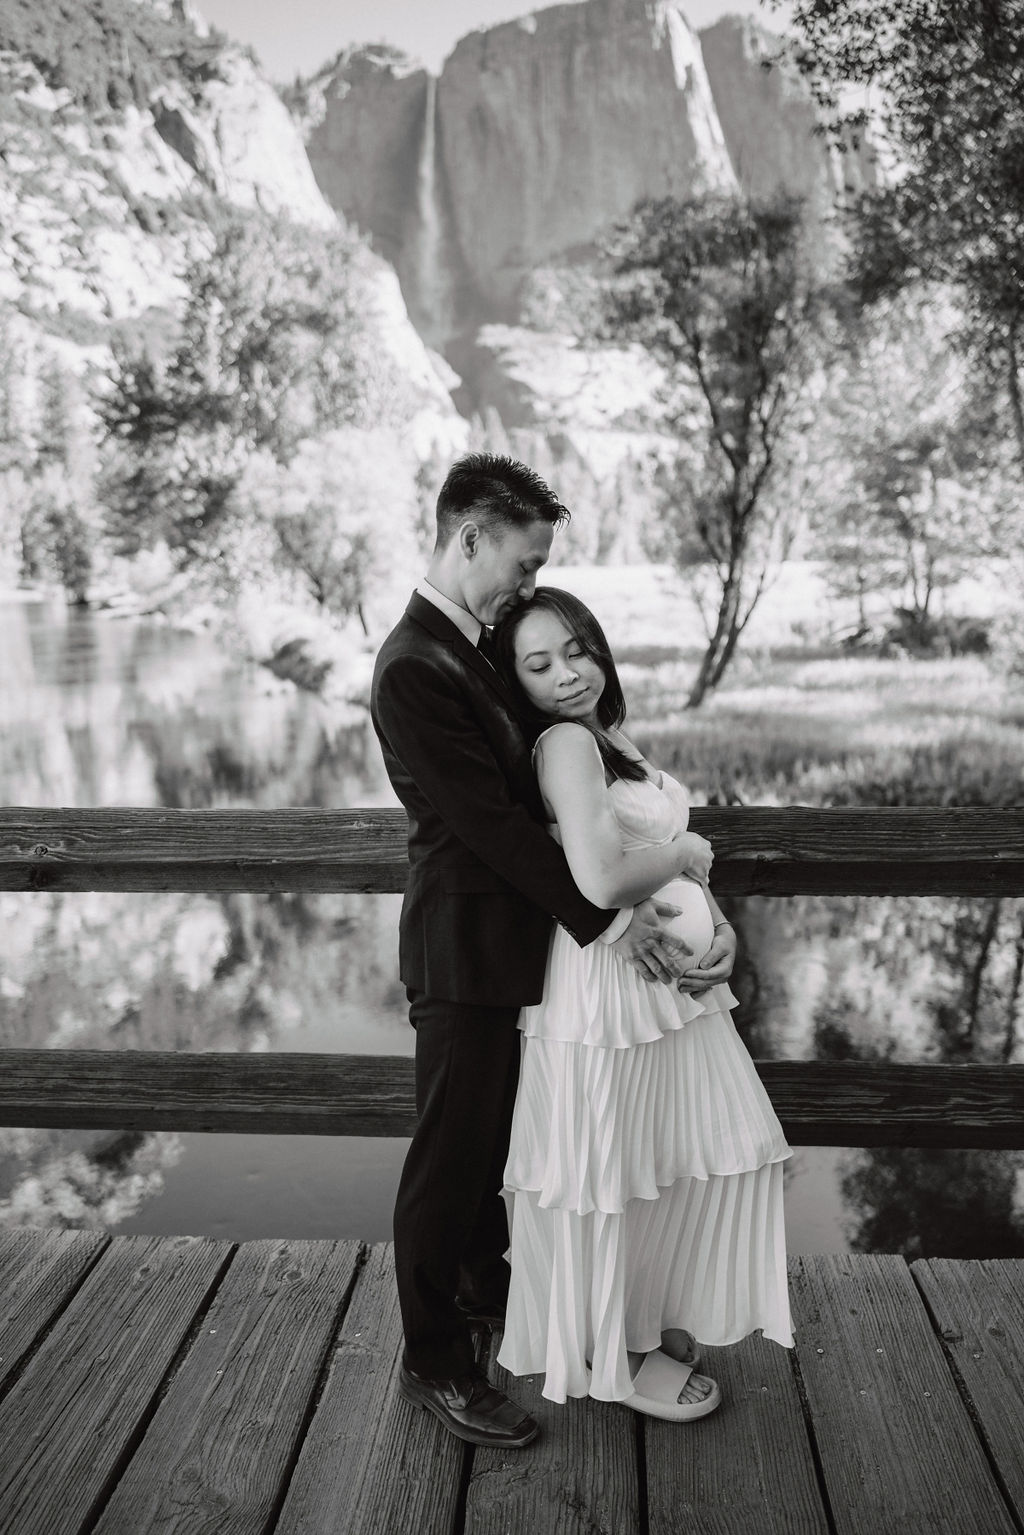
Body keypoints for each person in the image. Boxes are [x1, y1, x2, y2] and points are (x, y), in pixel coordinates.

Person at [369, 454, 730, 1450]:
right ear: (468, 535)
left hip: (525, 951)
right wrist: (615, 922)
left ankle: (492, 1293)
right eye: (523, 561)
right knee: (451, 1159)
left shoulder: (472, 643)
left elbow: (558, 788)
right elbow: (489, 825)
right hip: (464, 948)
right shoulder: (413, 664)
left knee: (496, 1147)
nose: (527, 582)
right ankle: (436, 1358)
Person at [492, 586, 793, 1420]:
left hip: (671, 988)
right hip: (610, 996)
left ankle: (643, 1319)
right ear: (515, 683)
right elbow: (601, 878)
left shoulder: (605, 736)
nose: (566, 674)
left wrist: (719, 921)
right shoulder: (561, 745)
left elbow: (667, 868)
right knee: (613, 1167)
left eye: (576, 650)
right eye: (538, 664)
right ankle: (617, 1355)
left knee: (661, 1159)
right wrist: (688, 846)